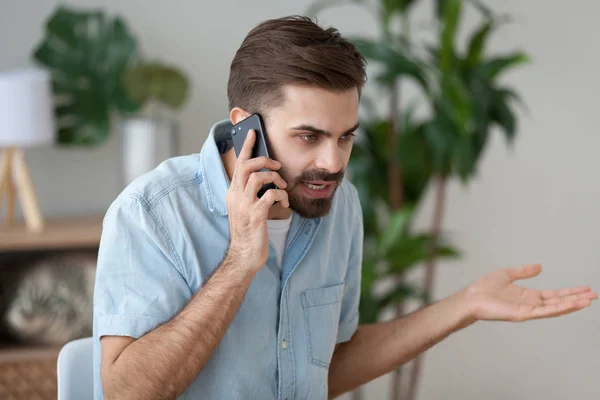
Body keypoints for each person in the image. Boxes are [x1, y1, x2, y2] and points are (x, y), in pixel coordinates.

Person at [92, 15, 597, 400]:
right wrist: (241, 260)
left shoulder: (337, 204)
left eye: (345, 137)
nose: (332, 162)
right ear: (246, 126)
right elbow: (124, 391)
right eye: (308, 136)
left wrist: (464, 306)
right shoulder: (151, 213)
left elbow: (324, 365)